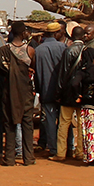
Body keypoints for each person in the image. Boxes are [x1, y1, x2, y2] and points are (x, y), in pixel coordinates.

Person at [0, 21, 36, 166]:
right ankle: (29, 158)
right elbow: (31, 69)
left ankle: (9, 158)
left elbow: (0, 71)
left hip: (9, 91)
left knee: (9, 125)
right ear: (23, 33)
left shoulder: (3, 50)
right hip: (25, 93)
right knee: (27, 125)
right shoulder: (30, 51)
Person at [51, 27, 87, 161]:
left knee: (63, 124)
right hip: (82, 93)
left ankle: (61, 153)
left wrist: (58, 92)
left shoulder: (69, 51)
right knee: (81, 124)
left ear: (71, 36)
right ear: (83, 36)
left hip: (68, 93)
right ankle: (80, 152)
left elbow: (63, 74)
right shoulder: (87, 51)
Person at [33, 22, 66, 157]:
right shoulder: (63, 47)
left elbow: (36, 73)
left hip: (46, 91)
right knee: (64, 121)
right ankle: (66, 148)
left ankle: (53, 149)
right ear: (57, 33)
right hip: (62, 92)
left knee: (50, 121)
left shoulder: (39, 50)